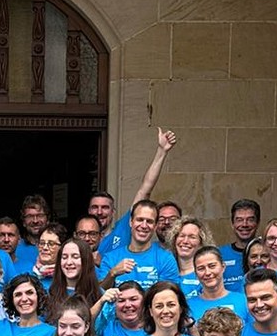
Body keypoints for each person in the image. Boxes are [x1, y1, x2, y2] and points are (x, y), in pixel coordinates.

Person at [89, 126, 177, 256]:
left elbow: (145, 189)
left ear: (113, 212)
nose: (100, 212)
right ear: (89, 211)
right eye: (95, 207)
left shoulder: (123, 229)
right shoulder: (79, 238)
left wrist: (162, 151)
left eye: (105, 207)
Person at [101, 199, 180, 290]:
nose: (144, 225)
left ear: (155, 226)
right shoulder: (110, 258)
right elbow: (99, 295)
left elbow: (168, 297)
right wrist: (112, 274)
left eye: (149, 221)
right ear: (131, 222)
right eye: (140, 220)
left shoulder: (166, 259)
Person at [190, 245, 249, 322]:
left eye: (212, 266)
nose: (207, 273)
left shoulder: (243, 301)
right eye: (201, 268)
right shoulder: (188, 307)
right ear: (195, 274)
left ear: (223, 267)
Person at [47, 236, 103, 315]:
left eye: (75, 257)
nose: (69, 262)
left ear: (86, 261)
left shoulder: (99, 295)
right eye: (64, 257)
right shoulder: (49, 294)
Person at [220, 199, 261, 290]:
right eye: (239, 220)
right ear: (232, 224)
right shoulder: (219, 254)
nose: (244, 224)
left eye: (250, 220)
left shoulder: (267, 254)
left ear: (257, 223)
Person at [167, 216, 208, 300]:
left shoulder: (205, 274)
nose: (185, 241)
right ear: (174, 240)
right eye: (181, 236)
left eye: (192, 237)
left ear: (201, 243)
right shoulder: (166, 272)